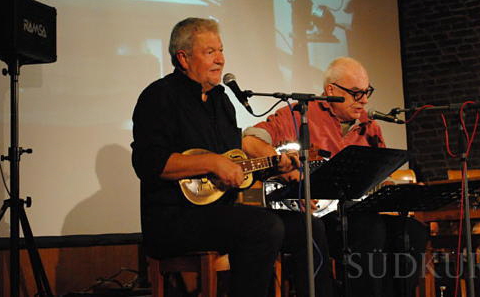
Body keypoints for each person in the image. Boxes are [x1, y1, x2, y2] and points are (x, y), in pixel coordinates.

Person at [131, 17, 333, 297]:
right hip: (174, 220)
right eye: (210, 52)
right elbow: (149, 164)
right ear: (183, 58)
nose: (220, 60)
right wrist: (212, 162)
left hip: (220, 213)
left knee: (309, 227)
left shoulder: (221, 100)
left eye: (221, 50)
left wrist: (276, 167)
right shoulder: (159, 97)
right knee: (263, 226)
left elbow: (236, 165)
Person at [242, 57, 428, 297]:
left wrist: (393, 193)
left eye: (367, 92)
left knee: (412, 232)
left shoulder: (371, 127)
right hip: (318, 218)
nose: (365, 100)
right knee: (369, 229)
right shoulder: (300, 115)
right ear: (331, 90)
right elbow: (250, 141)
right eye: (356, 93)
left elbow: (380, 179)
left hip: (358, 214)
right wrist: (287, 168)